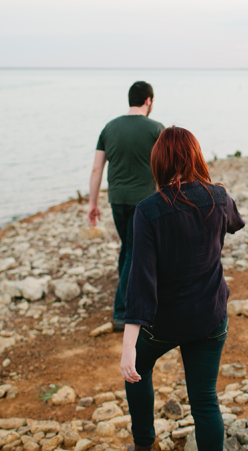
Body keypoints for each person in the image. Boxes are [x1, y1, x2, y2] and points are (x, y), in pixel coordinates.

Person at [119, 126, 245, 451]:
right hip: (210, 317)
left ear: (158, 162)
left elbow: (140, 279)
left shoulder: (147, 211)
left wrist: (128, 345)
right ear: (196, 157)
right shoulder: (219, 196)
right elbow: (235, 222)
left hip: (165, 323)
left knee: (137, 369)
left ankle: (144, 443)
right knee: (204, 400)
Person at [88, 81, 164, 331]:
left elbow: (97, 168)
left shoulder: (109, 127)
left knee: (128, 248)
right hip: (144, 202)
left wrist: (93, 203)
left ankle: (132, 300)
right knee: (134, 251)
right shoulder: (156, 129)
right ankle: (121, 312)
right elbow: (168, 167)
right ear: (149, 101)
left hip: (116, 200)